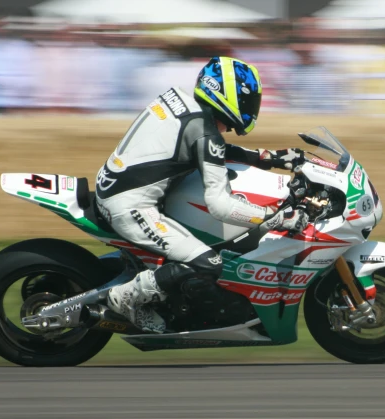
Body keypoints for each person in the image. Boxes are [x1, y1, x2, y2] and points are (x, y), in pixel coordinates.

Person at [97, 56, 308, 333]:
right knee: (208, 264)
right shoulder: (205, 131)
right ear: (227, 94)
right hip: (130, 205)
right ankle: (124, 300)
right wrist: (275, 216)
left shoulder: (183, 103)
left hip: (118, 187)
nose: (251, 108)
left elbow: (207, 147)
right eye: (247, 101)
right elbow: (220, 205)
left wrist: (267, 158)